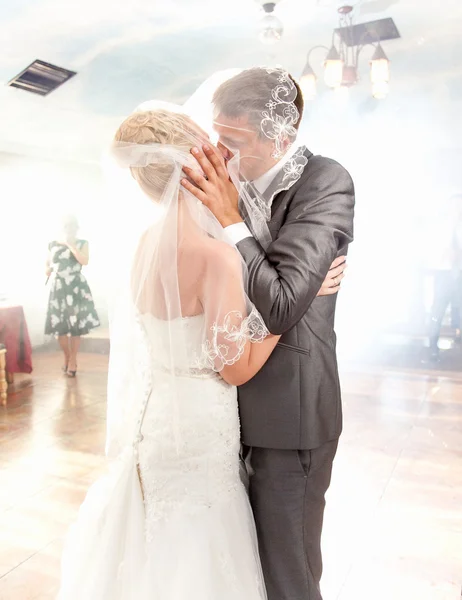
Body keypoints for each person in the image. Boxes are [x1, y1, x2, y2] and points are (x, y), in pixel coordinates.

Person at [57, 99, 345, 598]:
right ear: (195, 167)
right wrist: (296, 301)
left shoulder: (145, 245)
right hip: (199, 427)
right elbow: (234, 368)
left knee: (157, 542)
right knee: (199, 545)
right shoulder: (215, 256)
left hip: (157, 417)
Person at [182, 67, 355, 600]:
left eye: (233, 142)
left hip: (290, 415)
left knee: (289, 576)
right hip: (222, 408)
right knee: (244, 571)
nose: (221, 154)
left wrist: (230, 220)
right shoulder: (224, 183)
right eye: (217, 137)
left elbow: (280, 306)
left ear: (279, 135)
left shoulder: (325, 181)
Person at [45, 215, 100, 376]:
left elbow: (84, 261)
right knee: (59, 328)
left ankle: (73, 360)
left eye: (72, 226)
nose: (69, 229)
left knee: (76, 327)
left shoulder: (83, 243)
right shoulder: (52, 244)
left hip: (76, 287)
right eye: (66, 226)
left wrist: (71, 245)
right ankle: (67, 357)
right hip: (59, 287)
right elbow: (46, 265)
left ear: (76, 228)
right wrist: (49, 269)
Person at [427, 193, 462, 362]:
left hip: (460, 275)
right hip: (443, 275)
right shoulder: (439, 229)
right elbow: (431, 255)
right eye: (454, 206)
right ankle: (433, 348)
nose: (457, 210)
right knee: (437, 312)